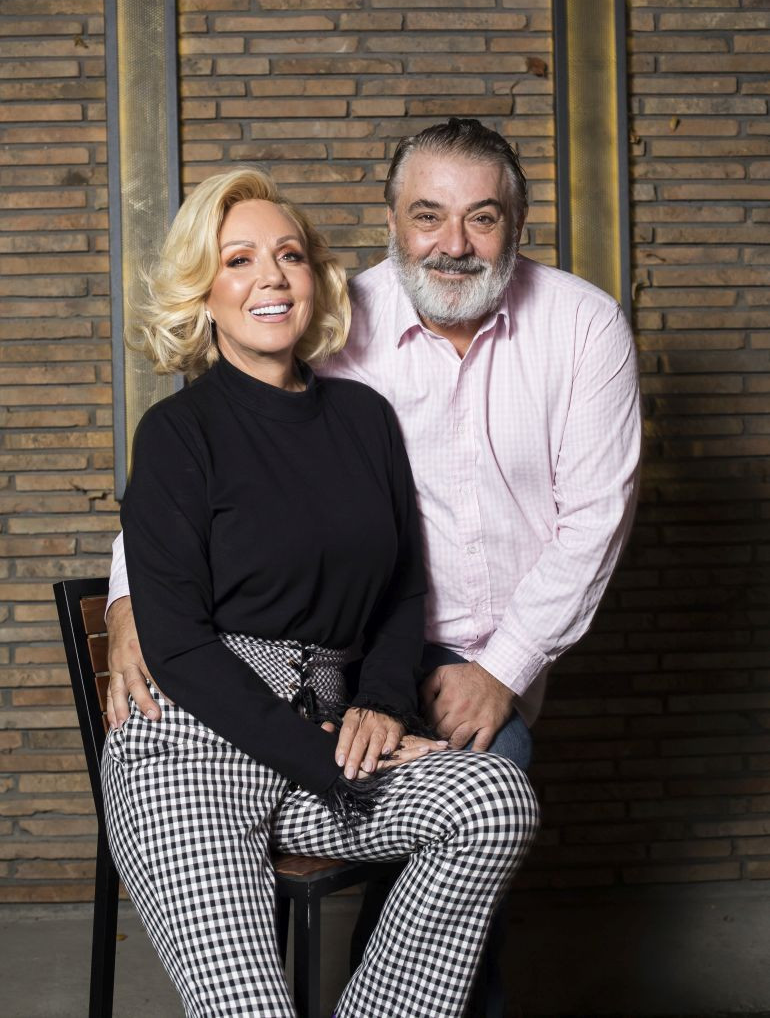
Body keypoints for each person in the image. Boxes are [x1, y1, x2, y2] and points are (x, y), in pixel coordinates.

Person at [100, 164, 539, 1018]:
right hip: (191, 752)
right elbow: (179, 648)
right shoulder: (177, 433)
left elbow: (403, 590)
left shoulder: (364, 418)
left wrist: (381, 706)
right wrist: (329, 762)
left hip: (329, 742)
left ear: (315, 278)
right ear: (203, 292)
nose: (270, 277)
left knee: (494, 797)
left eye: (289, 255)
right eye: (238, 260)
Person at [107, 118, 640, 766]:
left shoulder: (584, 325)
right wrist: (129, 599)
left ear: (518, 224)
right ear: (391, 222)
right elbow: (202, 458)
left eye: (482, 218)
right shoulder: (331, 320)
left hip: (494, 651)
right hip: (347, 645)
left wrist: (502, 670)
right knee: (441, 777)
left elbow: (594, 521)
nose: (454, 244)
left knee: (486, 778)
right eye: (427, 216)